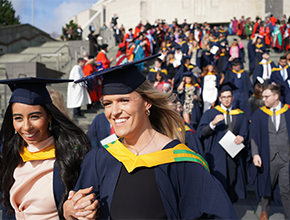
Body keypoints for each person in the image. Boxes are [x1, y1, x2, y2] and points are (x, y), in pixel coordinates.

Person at [63, 55, 238, 219]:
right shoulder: (99, 159)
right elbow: (80, 209)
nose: (114, 112)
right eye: (108, 103)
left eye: (124, 100)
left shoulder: (181, 162)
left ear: (147, 103)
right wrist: (70, 211)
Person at [0, 78, 96, 219]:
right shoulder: (11, 155)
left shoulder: (72, 156)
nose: (26, 127)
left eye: (34, 117)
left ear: (49, 116)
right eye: (18, 118)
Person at [197, 81, 248, 203]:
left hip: (233, 155)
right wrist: (212, 124)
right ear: (219, 98)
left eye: (229, 97)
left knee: (231, 183)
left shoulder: (239, 115)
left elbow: (245, 132)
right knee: (217, 183)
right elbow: (201, 133)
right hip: (217, 155)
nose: (226, 100)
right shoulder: (211, 113)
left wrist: (242, 137)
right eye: (224, 97)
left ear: (232, 98)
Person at [250, 84, 290, 220]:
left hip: (286, 158)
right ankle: (265, 210)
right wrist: (255, 154)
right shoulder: (260, 114)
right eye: (262, 97)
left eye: (266, 96)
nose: (263, 100)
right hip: (268, 156)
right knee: (266, 184)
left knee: (286, 189)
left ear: (276, 96)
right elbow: (254, 136)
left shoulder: (288, 111)